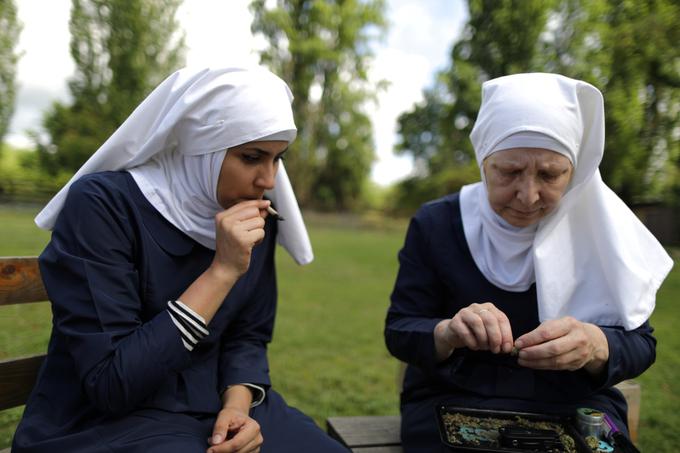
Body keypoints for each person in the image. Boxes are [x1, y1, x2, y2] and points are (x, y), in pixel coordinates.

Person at [12, 66, 348, 453]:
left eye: (277, 159)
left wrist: (238, 408)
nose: (268, 180)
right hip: (105, 423)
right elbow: (111, 383)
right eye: (252, 157)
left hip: (212, 405)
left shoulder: (256, 217)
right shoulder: (104, 206)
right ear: (201, 145)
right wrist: (221, 271)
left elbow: (248, 335)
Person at [384, 73, 673, 452]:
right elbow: (401, 329)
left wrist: (595, 344)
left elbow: (641, 343)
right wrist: (448, 332)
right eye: (509, 171)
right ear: (483, 160)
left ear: (575, 171)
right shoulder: (437, 224)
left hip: (575, 406)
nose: (527, 195)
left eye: (551, 175)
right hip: (455, 399)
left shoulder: (599, 229)